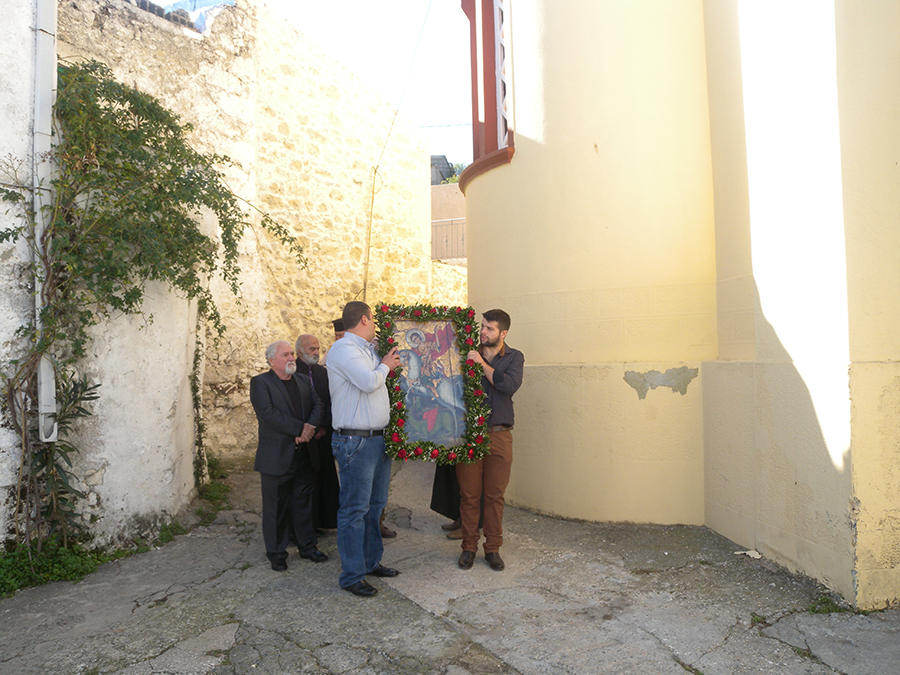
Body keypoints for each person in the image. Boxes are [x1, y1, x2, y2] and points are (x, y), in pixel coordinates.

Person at [327, 301, 402, 596]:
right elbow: (369, 382)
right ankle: (352, 575)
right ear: (364, 320)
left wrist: (384, 360)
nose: (375, 325)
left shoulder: (368, 350)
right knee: (354, 509)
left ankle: (371, 562)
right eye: (373, 320)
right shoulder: (343, 349)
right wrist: (386, 364)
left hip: (377, 439)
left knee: (375, 506)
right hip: (355, 441)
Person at [456, 309, 524, 572]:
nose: (483, 331)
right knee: (469, 496)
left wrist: (482, 365)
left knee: (495, 496)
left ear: (503, 333)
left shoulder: (514, 357)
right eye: (482, 326)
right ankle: (468, 547)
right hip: (470, 436)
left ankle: (493, 548)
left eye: (490, 328)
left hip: (499, 434)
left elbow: (508, 385)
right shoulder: (466, 354)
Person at [249, 340, 326, 571]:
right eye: (285, 355)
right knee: (276, 508)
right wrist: (299, 429)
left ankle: (308, 547)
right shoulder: (261, 383)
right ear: (272, 360)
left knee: (304, 504)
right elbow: (267, 414)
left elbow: (318, 405)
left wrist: (308, 429)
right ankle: (277, 553)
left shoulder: (302, 380)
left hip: (304, 453)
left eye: (292, 353)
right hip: (276, 456)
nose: (291, 358)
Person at [295, 333, 341, 530]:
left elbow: (330, 401)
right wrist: (309, 428)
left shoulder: (322, 372)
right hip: (303, 436)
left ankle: (325, 521)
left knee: (325, 479)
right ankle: (308, 525)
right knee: (306, 483)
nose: (316, 352)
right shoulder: (293, 372)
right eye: (311, 349)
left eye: (317, 349)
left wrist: (324, 426)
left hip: (323, 434)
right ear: (299, 352)